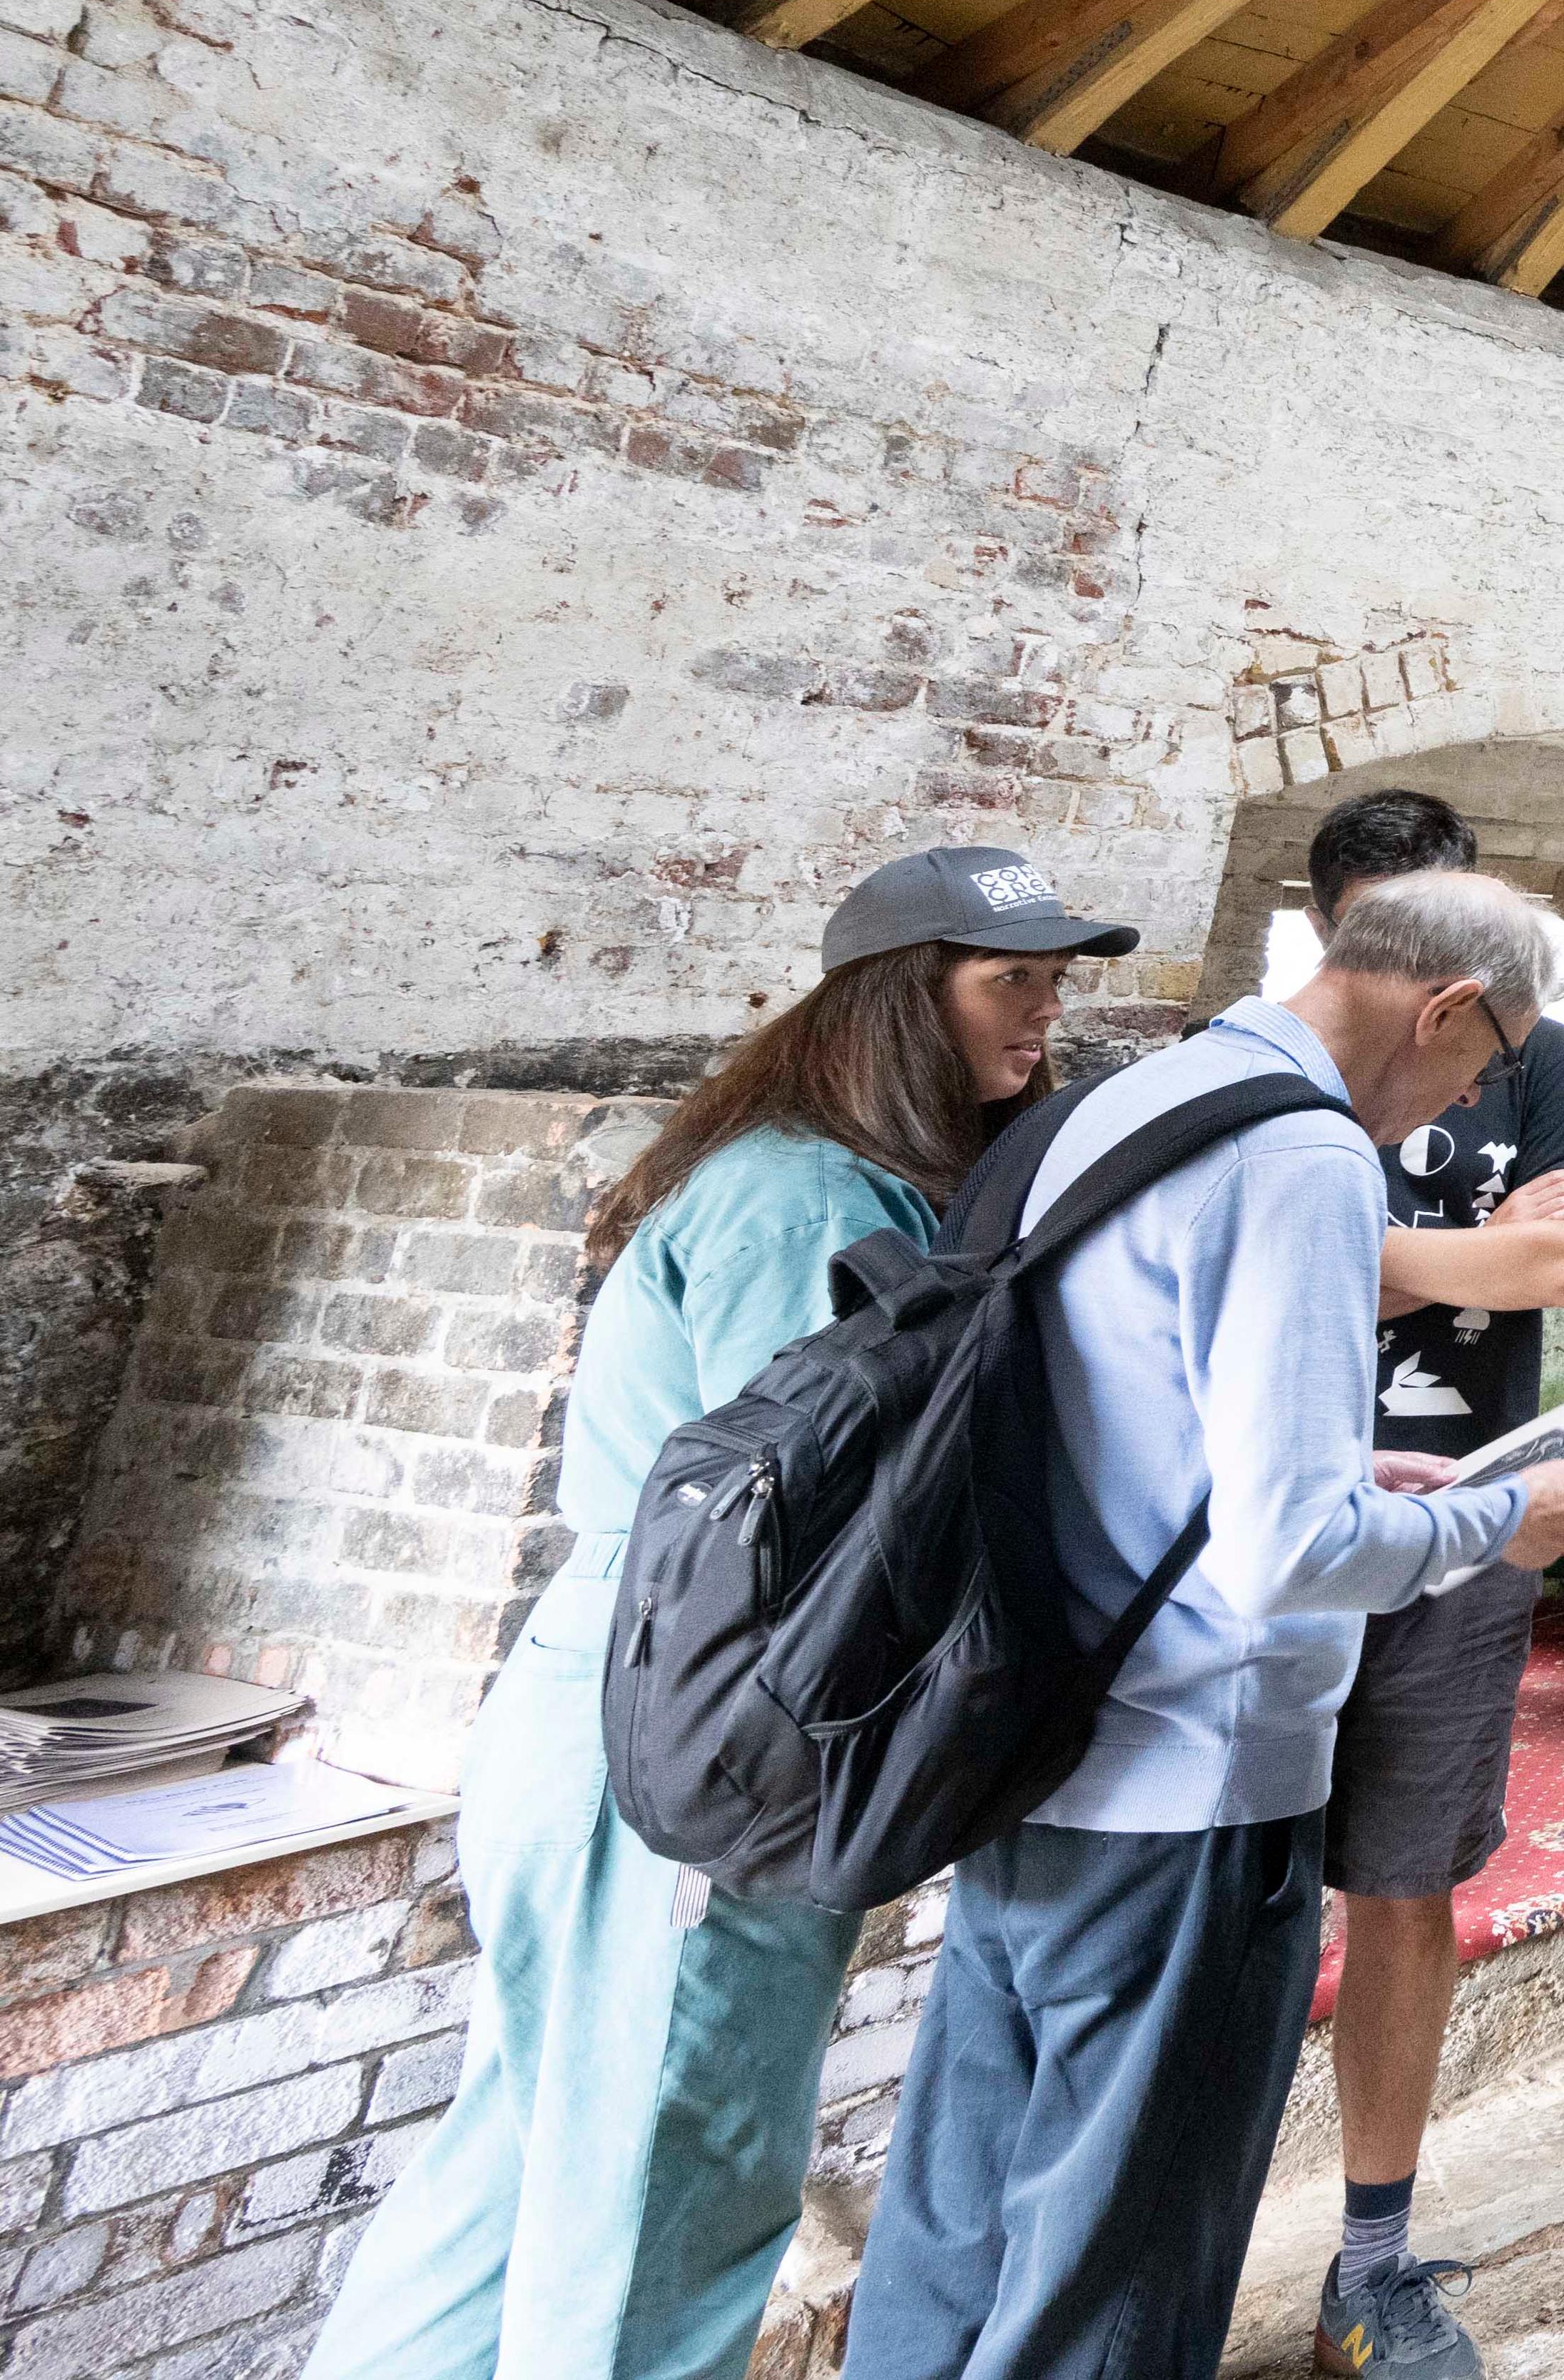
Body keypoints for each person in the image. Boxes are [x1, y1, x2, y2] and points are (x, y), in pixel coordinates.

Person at [304, 848, 1131, 2380]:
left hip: (627, 1694)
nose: (1046, 1014)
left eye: (1053, 979)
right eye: (1011, 979)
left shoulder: (812, 1170)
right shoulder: (806, 1191)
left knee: (527, 2161)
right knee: (665, 2186)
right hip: (699, 1714)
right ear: (902, 999)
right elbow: (823, 1526)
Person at [846, 873, 1564, 2380]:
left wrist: (1352, 1469)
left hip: (1040, 1734)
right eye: (1476, 1066)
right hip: (1191, 1780)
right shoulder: (1307, 1154)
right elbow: (1290, 1553)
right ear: (1444, 1007)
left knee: (964, 2217)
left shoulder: (1147, 1098)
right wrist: (1492, 1522)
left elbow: (1144, 1418)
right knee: (1117, 2261)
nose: (1459, 1105)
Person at [1282, 795, 1564, 2380]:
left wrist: (1361, 1245)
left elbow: (1556, 1264)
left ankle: (1371, 2255)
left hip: (1470, 1508)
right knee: (1232, 1882)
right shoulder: (1269, 1076)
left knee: (1407, 1882)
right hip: (1276, 1516)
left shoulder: (1536, 1057)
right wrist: (1449, 1248)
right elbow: (1262, 1261)